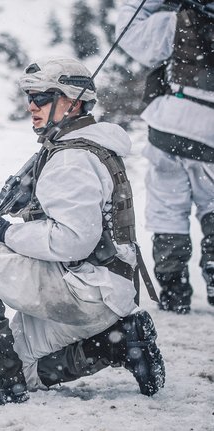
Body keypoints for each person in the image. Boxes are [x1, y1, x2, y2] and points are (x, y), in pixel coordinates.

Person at [0, 57, 165, 406]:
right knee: (24, 373)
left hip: (85, 290)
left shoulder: (70, 158)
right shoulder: (88, 147)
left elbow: (72, 240)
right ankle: (120, 341)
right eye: (30, 96)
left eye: (42, 96)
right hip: (106, 288)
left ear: (71, 101)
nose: (32, 105)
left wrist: (3, 233)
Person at [116, 0, 214, 314]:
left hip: (170, 123)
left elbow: (130, 35)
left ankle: (173, 289)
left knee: (167, 207)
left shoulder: (176, 21)